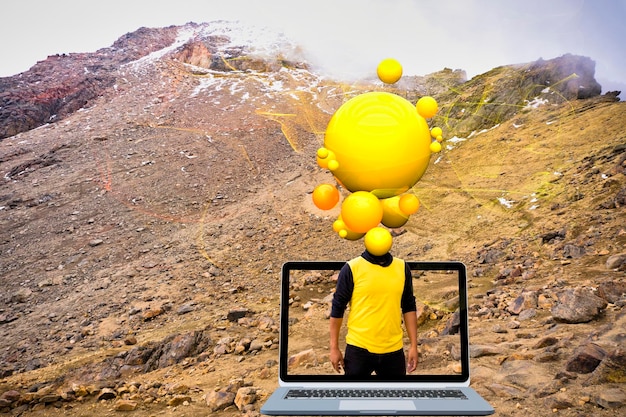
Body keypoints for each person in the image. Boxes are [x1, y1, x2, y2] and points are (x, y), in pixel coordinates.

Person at [329, 249, 419, 376]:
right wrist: (334, 348)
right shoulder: (351, 268)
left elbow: (409, 307)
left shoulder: (402, 267)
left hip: (393, 350)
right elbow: (337, 309)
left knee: (395, 395)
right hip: (358, 349)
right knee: (353, 395)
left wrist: (413, 346)